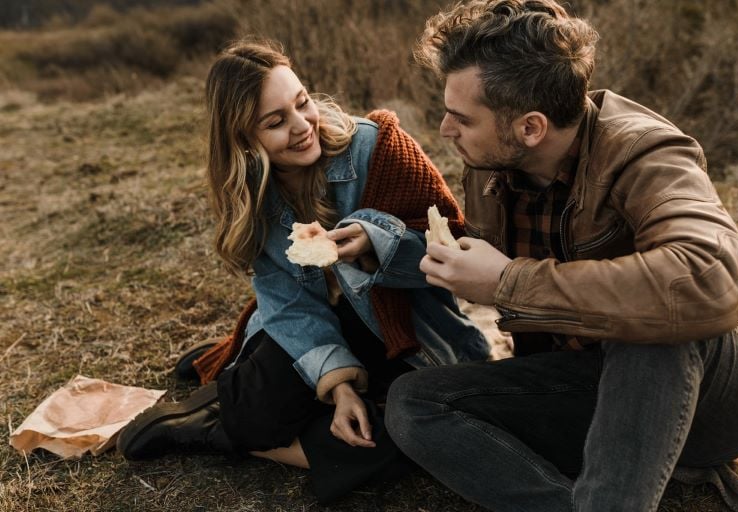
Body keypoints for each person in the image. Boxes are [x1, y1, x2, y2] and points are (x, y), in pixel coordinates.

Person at [384, 1, 738, 511]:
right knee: (414, 403)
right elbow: (478, 258)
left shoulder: (647, 154)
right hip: (592, 383)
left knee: (649, 318)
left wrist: (508, 285)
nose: (445, 130)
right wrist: (384, 250)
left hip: (722, 398)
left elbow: (707, 277)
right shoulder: (489, 164)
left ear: (530, 127)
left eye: (461, 118)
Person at [116, 38, 489, 504]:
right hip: (317, 322)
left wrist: (375, 245)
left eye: (302, 102)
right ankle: (228, 401)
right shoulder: (253, 195)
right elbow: (287, 299)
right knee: (260, 414)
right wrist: (340, 387)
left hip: (407, 333)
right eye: (275, 122)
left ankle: (218, 424)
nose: (301, 126)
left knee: (410, 441)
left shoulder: (380, 148)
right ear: (242, 141)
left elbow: (454, 247)